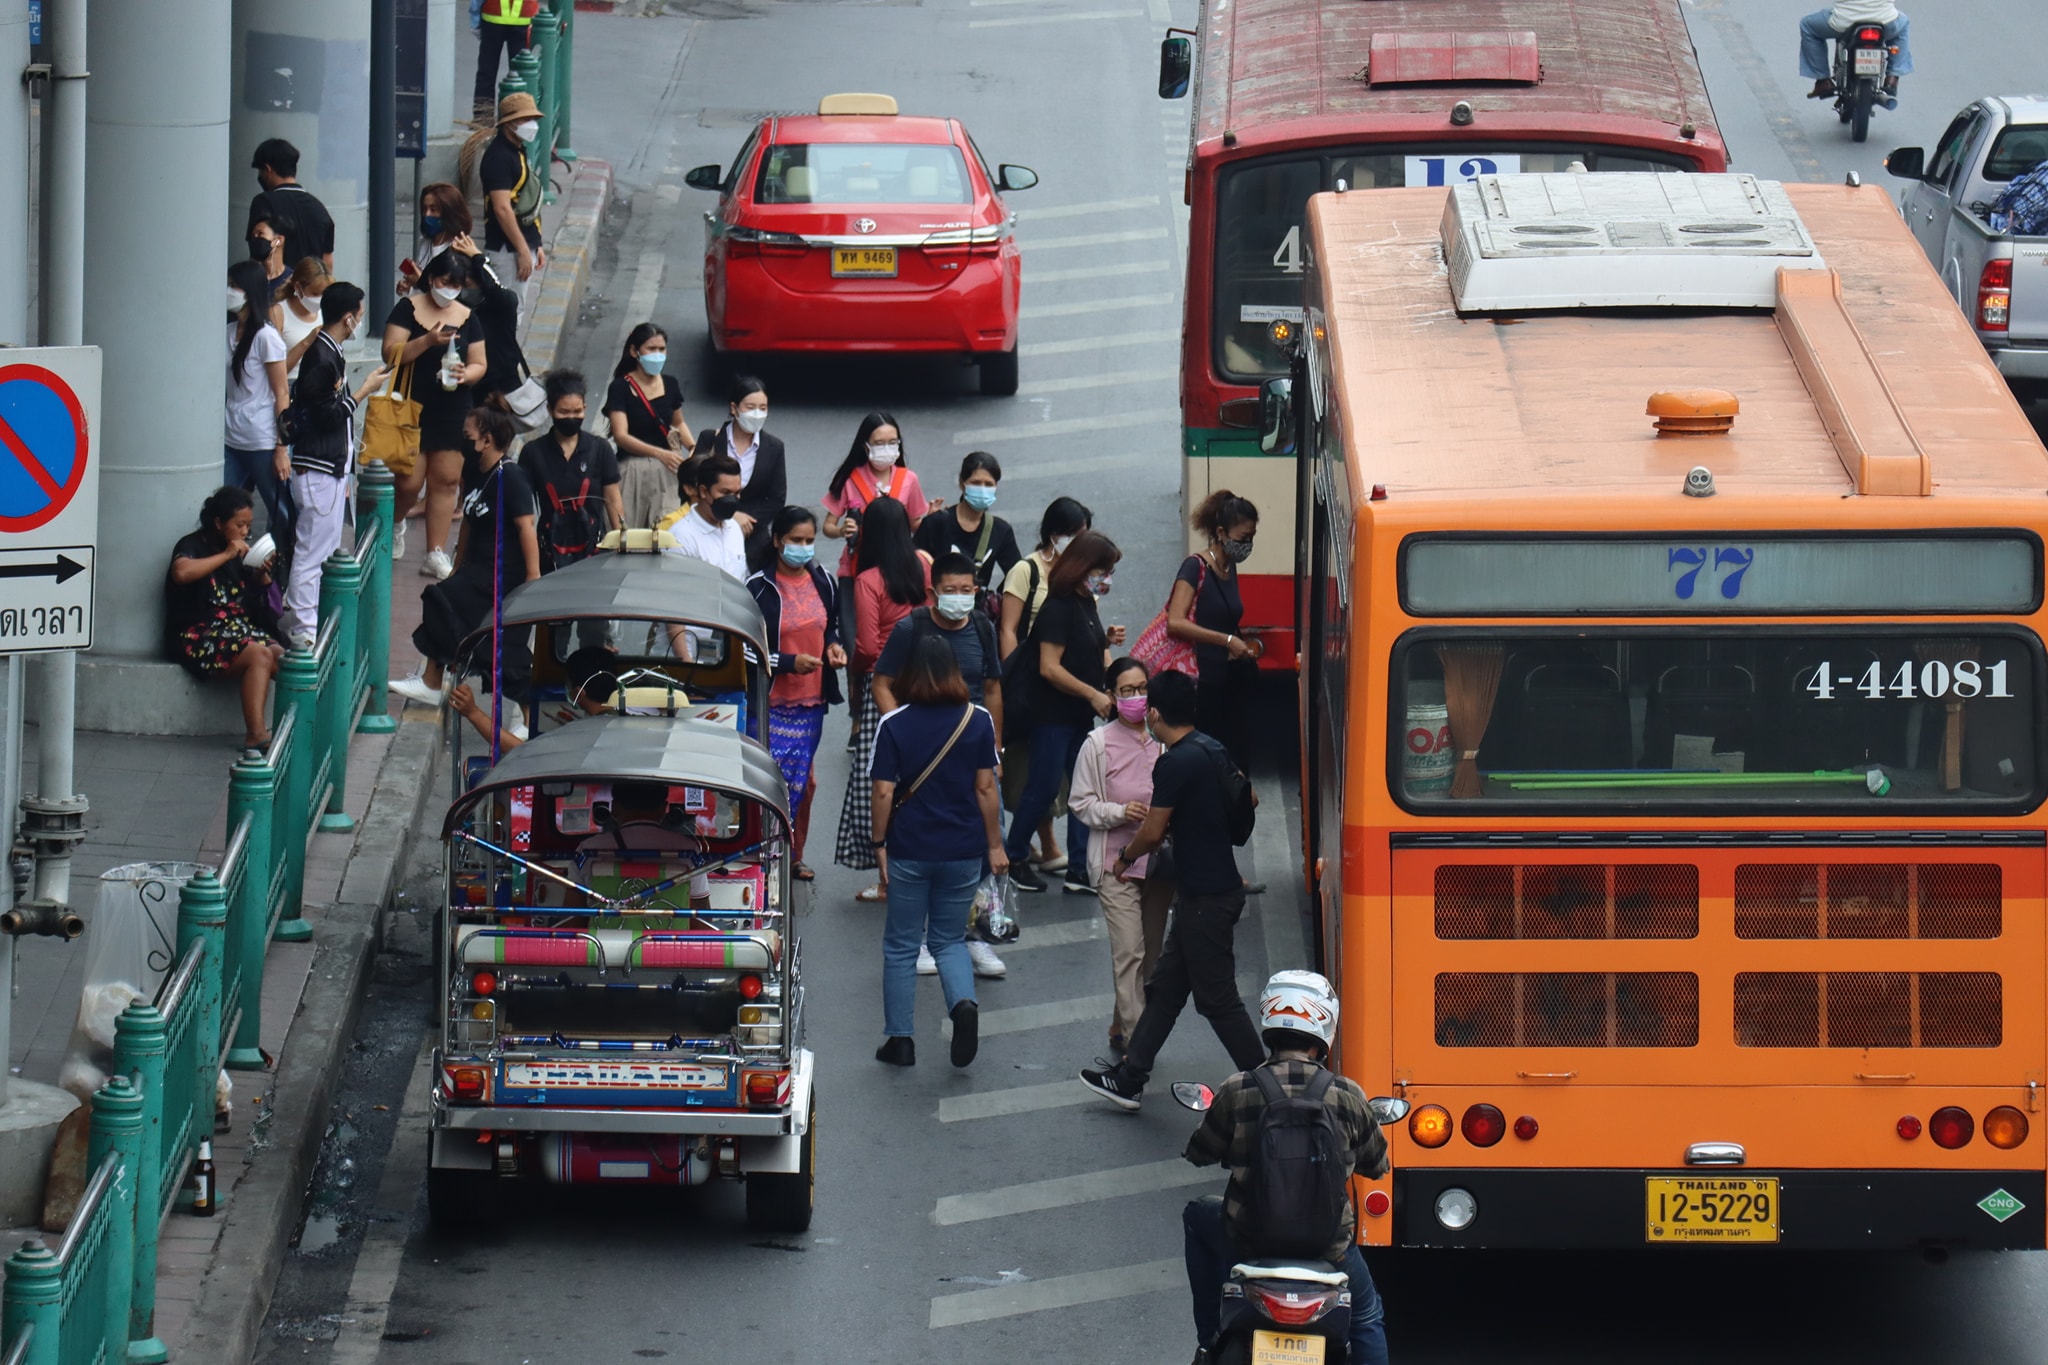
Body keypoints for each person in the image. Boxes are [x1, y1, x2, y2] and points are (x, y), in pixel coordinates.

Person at [1180, 972, 1390, 1365]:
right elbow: (1377, 1164)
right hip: (1330, 1247)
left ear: (1269, 1020)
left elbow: (1200, 1152)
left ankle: (1209, 1339)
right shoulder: (1347, 1094)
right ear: (1325, 1027)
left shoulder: (1238, 1088)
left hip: (1248, 1239)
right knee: (1366, 1316)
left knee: (1197, 1215)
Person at [1080, 670, 1266, 1109]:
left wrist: (1124, 859)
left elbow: (1151, 830)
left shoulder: (1174, 762)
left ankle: (1271, 1086)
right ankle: (1130, 1078)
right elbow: (1250, 798)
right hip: (1207, 891)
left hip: (1206, 899)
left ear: (1155, 714)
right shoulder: (1211, 747)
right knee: (1165, 989)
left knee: (1217, 1000)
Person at [869, 634, 1007, 1069]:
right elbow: (986, 788)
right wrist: (995, 844)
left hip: (910, 848)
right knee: (949, 939)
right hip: (964, 849)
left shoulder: (894, 724)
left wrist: (879, 845)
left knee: (901, 945)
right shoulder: (978, 719)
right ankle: (962, 1003)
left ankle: (900, 1041)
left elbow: (883, 791)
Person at [873, 551, 1008, 979]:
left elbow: (992, 689)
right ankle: (922, 938)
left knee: (986, 842)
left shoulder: (982, 627)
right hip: (923, 754)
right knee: (922, 843)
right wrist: (903, 730)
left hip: (973, 744)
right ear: (934, 592)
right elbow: (882, 683)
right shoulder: (910, 628)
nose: (959, 597)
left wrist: (996, 749)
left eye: (967, 590)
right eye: (951, 590)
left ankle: (974, 935)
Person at [391, 404, 540, 706]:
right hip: (476, 569)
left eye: (467, 435)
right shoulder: (474, 471)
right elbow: (469, 523)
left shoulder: (510, 478)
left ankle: (528, 716)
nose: (463, 441)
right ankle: (433, 680)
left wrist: (532, 578)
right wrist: (456, 568)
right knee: (444, 603)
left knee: (502, 650)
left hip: (501, 574)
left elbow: (526, 527)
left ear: (486, 440)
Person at [1004, 530, 1124, 894]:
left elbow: (1081, 648)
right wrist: (1092, 694)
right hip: (1051, 717)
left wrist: (1105, 641)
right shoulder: (1057, 608)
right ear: (1083, 567)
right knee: (1042, 789)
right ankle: (1015, 857)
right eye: (1103, 570)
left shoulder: (1086, 603)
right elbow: (1049, 667)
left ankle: (1079, 868)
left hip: (1077, 716)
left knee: (1086, 791)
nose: (1107, 578)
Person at [1071, 657, 1170, 1058]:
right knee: (1129, 951)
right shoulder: (1097, 745)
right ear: (1112, 696)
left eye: (1142, 688)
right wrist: (1119, 812)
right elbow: (1081, 803)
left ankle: (1120, 1022)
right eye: (1127, 691)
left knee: (1149, 955)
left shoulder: (1163, 740)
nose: (1136, 697)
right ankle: (1136, 1041)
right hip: (1115, 865)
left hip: (1159, 865)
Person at [282, 283, 389, 648]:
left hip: (328, 468)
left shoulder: (330, 352)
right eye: (359, 314)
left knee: (322, 549)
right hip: (317, 469)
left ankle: (306, 620)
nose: (361, 319)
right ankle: (303, 627)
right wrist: (362, 391)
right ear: (348, 318)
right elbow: (324, 415)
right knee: (313, 551)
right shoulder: (322, 357)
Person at [835, 496, 931, 899]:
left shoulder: (869, 580)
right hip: (926, 677)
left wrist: (858, 671)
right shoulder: (923, 565)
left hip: (885, 683)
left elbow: (867, 645)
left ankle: (887, 877)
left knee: (880, 777)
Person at [749, 508, 846, 881]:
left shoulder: (824, 581)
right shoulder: (758, 588)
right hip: (770, 704)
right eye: (796, 540)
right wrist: (789, 662)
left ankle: (792, 853)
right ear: (778, 541)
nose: (804, 548)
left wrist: (833, 648)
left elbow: (830, 627)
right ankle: (760, 850)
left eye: (809, 541)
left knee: (804, 782)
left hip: (811, 703)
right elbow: (747, 650)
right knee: (770, 782)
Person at [999, 495, 1093, 878]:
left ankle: (1079, 865)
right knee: (1040, 779)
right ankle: (1018, 852)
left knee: (1080, 781)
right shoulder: (1027, 571)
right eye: (1074, 534)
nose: (1079, 542)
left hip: (1073, 692)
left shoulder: (1080, 576)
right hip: (1038, 691)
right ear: (1054, 533)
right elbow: (1008, 629)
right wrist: (1013, 683)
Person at [383, 249, 487, 581]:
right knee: (409, 481)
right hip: (411, 405)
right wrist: (427, 341)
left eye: (456, 285)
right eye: (445, 282)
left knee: (446, 480)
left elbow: (479, 363)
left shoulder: (468, 317)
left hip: (453, 408)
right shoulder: (408, 309)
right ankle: (395, 523)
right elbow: (391, 353)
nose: (449, 290)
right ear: (431, 279)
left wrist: (465, 375)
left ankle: (435, 551)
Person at [163, 486, 287, 757]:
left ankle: (303, 723)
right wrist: (226, 555)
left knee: (283, 657)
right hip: (198, 634)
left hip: (236, 629)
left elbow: (258, 604)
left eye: (248, 526)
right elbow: (181, 573)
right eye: (239, 525)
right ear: (219, 523)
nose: (244, 531)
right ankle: (256, 734)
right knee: (260, 655)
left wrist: (261, 574)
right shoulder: (193, 545)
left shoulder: (240, 554)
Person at [822, 413, 932, 676]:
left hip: (899, 570)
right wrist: (842, 530)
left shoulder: (909, 480)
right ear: (865, 445)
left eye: (892, 442)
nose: (886, 448)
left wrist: (933, 517)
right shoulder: (849, 480)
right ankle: (858, 696)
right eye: (879, 443)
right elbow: (828, 526)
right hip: (856, 569)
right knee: (855, 641)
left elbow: (915, 523)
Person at [1168, 490, 1262, 772]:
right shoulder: (1194, 567)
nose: (1247, 545)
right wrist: (1227, 640)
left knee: (1235, 758)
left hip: (1228, 681)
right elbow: (1176, 621)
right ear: (1221, 533)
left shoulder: (1229, 567)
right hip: (1202, 682)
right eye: (1243, 538)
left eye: (1252, 538)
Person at [517, 369, 622, 576]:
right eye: (564, 412)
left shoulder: (600, 449)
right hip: (549, 553)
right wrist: (531, 569)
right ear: (550, 409)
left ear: (585, 408)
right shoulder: (533, 453)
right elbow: (524, 512)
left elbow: (613, 500)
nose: (571, 418)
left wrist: (622, 543)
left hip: (594, 552)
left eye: (577, 412)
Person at [223, 259, 292, 539]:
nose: (229, 291)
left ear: (249, 291)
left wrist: (281, 448)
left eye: (234, 286)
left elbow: (282, 393)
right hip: (231, 437)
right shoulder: (228, 333)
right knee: (224, 509)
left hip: (261, 439)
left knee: (281, 510)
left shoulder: (266, 337)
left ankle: (287, 559)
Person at [692, 375, 786, 569]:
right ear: (734, 408)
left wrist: (745, 519)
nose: (757, 414)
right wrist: (730, 515)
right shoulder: (710, 439)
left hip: (752, 533)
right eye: (750, 407)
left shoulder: (774, 447)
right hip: (709, 526)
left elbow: (776, 499)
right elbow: (695, 485)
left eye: (763, 408)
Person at [913, 450, 1021, 617]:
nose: (982, 489)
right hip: (935, 613)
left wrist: (994, 600)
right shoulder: (936, 523)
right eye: (976, 483)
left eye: (989, 484)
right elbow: (912, 567)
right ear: (962, 484)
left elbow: (1018, 576)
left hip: (975, 616)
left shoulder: (1001, 530)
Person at [603, 323, 688, 530]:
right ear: (635, 351)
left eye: (661, 349)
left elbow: (678, 422)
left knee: (665, 533)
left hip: (667, 471)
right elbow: (621, 435)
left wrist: (693, 447)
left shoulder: (670, 384)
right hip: (631, 470)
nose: (657, 354)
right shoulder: (620, 387)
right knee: (628, 534)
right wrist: (659, 453)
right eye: (651, 349)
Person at [477, 93, 547, 313]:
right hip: (507, 250)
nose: (531, 125)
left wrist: (535, 244)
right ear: (509, 123)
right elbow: (502, 208)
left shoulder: (515, 151)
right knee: (507, 315)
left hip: (519, 246)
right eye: (525, 119)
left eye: (532, 119)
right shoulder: (499, 157)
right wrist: (523, 250)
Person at [247, 139, 335, 275]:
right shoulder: (319, 208)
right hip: (310, 285)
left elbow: (258, 252)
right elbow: (327, 263)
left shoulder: (264, 202)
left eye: (260, 171)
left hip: (276, 285)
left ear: (267, 169)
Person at [1801, 2, 1912, 100]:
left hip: (1844, 21)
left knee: (1807, 26)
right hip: (1885, 21)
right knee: (1903, 23)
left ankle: (1823, 81)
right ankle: (1892, 77)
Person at [402, 182, 474, 294]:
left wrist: (421, 282)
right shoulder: (425, 243)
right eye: (424, 209)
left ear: (449, 212)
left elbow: (450, 295)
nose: (427, 215)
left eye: (433, 209)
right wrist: (411, 286)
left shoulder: (459, 248)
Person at [474, 0, 536, 124]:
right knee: (521, 74)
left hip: (493, 15)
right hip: (524, 16)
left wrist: (474, 19)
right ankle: (518, 120)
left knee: (487, 72)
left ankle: (482, 119)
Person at [276, 257, 330, 379]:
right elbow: (277, 371)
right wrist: (307, 341)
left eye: (323, 293)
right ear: (298, 288)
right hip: (291, 383)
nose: (319, 299)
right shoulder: (278, 313)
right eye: (315, 293)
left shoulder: (324, 311)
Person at [246, 206, 289, 302]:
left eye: (260, 234)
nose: (255, 239)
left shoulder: (291, 281)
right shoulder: (246, 278)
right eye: (253, 236)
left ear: (278, 240)